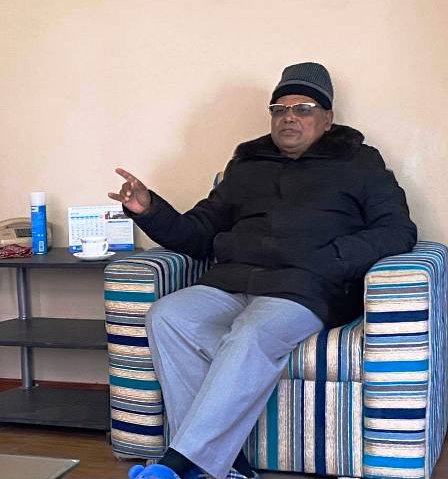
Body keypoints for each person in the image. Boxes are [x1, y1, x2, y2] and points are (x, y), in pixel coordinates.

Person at [109, 62, 417, 479]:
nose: (289, 118)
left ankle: (179, 465)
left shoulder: (359, 162)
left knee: (251, 332)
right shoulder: (246, 164)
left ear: (327, 119)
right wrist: (149, 210)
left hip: (304, 288)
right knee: (168, 315)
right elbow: (198, 233)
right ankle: (226, 466)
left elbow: (398, 230)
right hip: (231, 281)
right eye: (279, 109)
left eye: (303, 109)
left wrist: (330, 259)